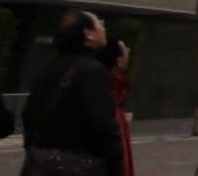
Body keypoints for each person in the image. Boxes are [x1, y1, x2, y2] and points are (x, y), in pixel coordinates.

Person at [20, 10, 123, 176]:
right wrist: (115, 160)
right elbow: (102, 125)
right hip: (80, 164)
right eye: (99, 23)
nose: (103, 27)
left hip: (40, 163)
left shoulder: (47, 70)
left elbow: (28, 117)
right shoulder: (92, 70)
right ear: (88, 34)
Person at [100, 37, 135, 176]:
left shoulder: (115, 91)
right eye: (125, 49)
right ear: (118, 61)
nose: (128, 51)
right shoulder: (108, 96)